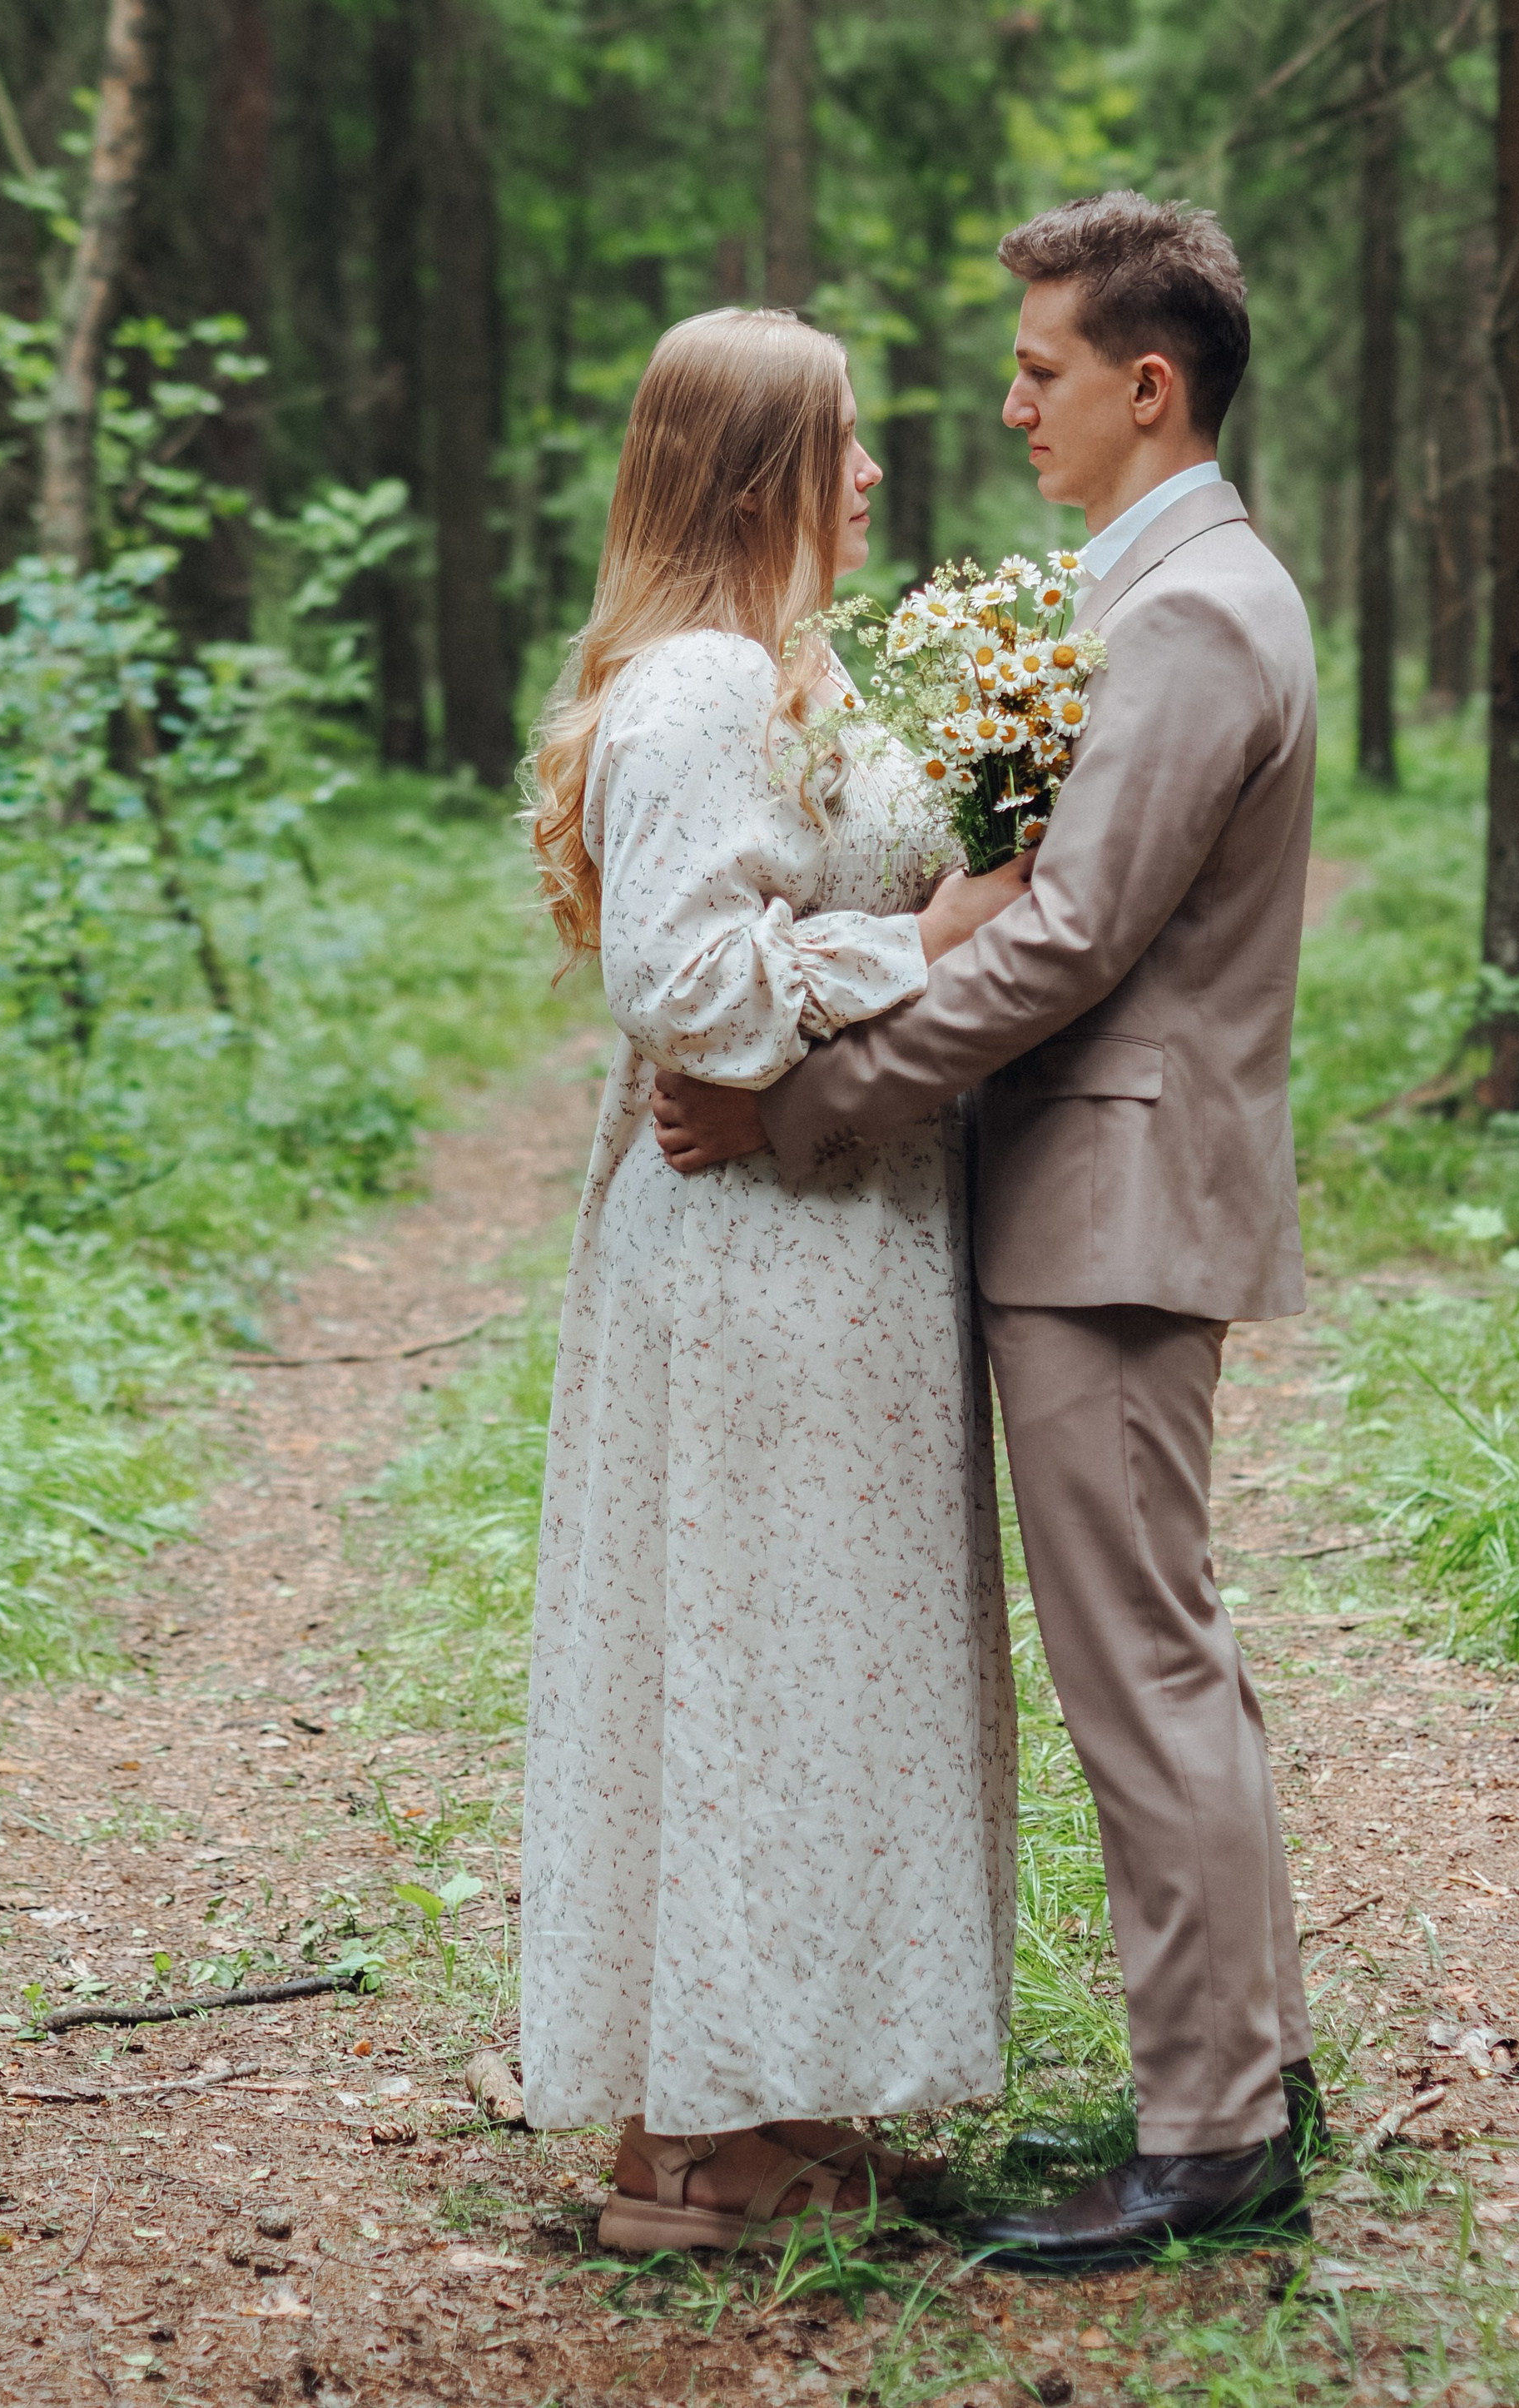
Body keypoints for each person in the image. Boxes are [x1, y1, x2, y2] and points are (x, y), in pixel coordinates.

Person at [653, 193, 1326, 2270]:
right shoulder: (1149, 597)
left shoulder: (1196, 614)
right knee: (1157, 1654)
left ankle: (1210, 2134)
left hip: (1112, 1205)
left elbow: (1064, 940)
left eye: (1041, 371)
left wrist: (807, 1107)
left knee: (1139, 1666)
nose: (1006, 399)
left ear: (1150, 387)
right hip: (1089, 1203)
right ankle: (1240, 2071)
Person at [519, 306, 1028, 2252]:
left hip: (826, 1250)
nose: (878, 475)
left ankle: (766, 2103)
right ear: (756, 473)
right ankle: (715, 2157)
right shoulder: (703, 690)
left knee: (813, 1667)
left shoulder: (780, 672)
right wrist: (925, 941)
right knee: (751, 1665)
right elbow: (693, 990)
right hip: (757, 1262)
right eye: (844, 444)